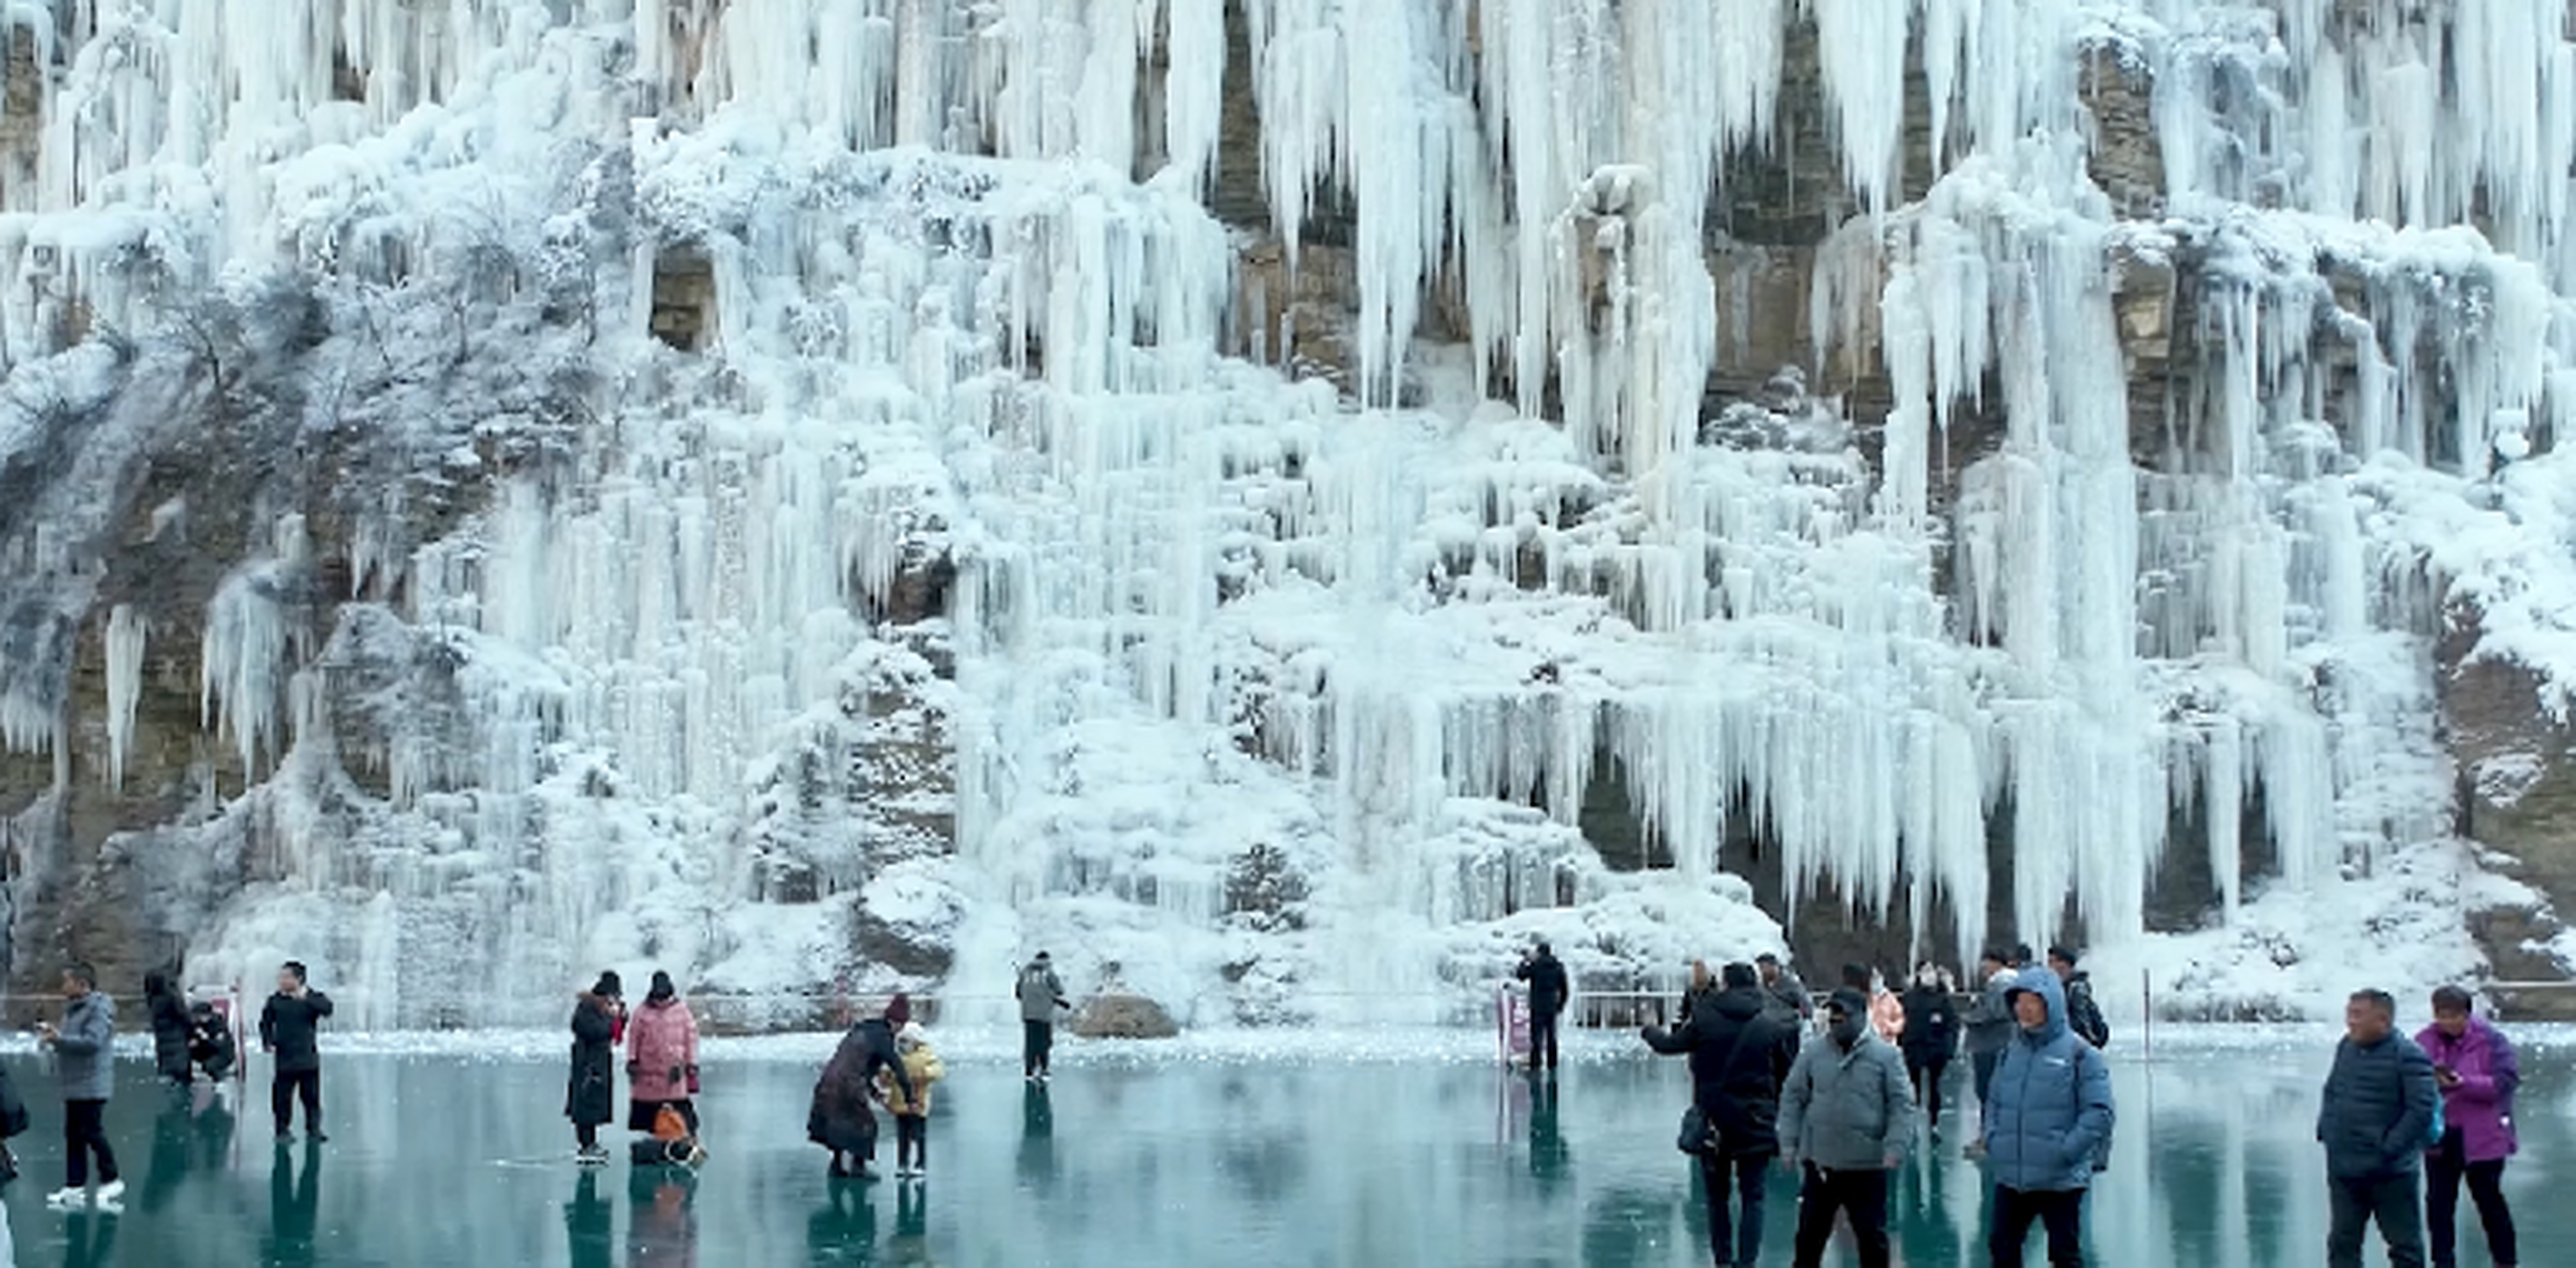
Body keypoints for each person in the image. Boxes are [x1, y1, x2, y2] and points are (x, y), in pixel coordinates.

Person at [1642, 961, 1802, 1268]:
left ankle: (1723, 1260)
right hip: (1756, 1121)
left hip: (1714, 1122)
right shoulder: (1768, 1025)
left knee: (1717, 1198)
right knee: (1753, 1196)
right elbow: (1787, 1074)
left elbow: (1669, 1045)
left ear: (1725, 985)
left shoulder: (1704, 1020)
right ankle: (1747, 1262)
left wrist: (1649, 1028)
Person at [1985, 966, 2114, 1268]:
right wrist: (1993, 1137)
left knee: (2064, 1254)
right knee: (2002, 1247)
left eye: (2033, 1001)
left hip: (2060, 1179)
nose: (2024, 1009)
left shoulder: (2082, 1054)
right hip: (2012, 1175)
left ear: (2051, 1004)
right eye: (2019, 1001)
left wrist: (2066, 1151)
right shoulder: (2010, 1053)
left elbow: (2099, 1112)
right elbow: (1993, 1101)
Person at [1779, 988, 1912, 1268]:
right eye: (1833, 1014)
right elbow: (1793, 1096)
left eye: (1843, 1014)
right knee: (1808, 1240)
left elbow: (1901, 1105)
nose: (1836, 1020)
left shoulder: (1886, 1056)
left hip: (1867, 1164)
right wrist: (1788, 1142)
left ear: (1861, 1016)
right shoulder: (1813, 1052)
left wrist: (1895, 1146)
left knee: (1871, 1238)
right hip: (1821, 1164)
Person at [2318, 988, 2436, 1268]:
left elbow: (2420, 1111)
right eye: (2349, 1014)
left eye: (2358, 1015)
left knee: (2403, 1246)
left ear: (2382, 1020)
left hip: (2390, 1172)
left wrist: (2388, 1148)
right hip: (2345, 1167)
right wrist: (2328, 1132)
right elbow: (2333, 1090)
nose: (2351, 1021)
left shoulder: (2409, 1055)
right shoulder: (2346, 1047)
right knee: (2342, 1242)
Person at [2414, 986, 2518, 1268]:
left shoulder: (2492, 1041)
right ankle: (2442, 1262)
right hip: (2440, 1136)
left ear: (2467, 1014)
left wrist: (2464, 1083)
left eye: (2453, 1015)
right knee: (2439, 1205)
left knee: (2490, 1203)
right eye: (2441, 1015)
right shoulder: (2423, 1041)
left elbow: (2504, 1083)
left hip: (2483, 1138)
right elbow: (2411, 1082)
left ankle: (2505, 1261)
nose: (2447, 1021)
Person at [38, 963, 123, 1209]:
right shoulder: (72, 1010)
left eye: (67, 981)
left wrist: (59, 1039)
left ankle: (111, 1178)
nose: (63, 986)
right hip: (73, 1084)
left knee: (92, 1132)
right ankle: (75, 1185)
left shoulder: (98, 1009)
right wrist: (55, 1038)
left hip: (92, 1083)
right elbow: (71, 1042)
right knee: (73, 1135)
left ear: (82, 984)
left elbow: (92, 1042)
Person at [809, 1002, 914, 1179]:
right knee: (866, 1125)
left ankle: (836, 1165)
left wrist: (873, 1092)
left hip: (827, 1081)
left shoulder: (861, 1030)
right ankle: (858, 1168)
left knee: (837, 1122)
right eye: (901, 1026)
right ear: (895, 1022)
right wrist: (909, 1096)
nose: (900, 1030)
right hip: (847, 1085)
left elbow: (857, 1066)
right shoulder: (883, 1037)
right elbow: (897, 1066)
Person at [259, 961, 335, 1142]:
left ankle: (314, 1129)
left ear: (298, 979)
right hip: (284, 1056)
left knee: (311, 1097)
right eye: (280, 977)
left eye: (286, 977)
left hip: (307, 1055)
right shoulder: (275, 1000)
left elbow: (327, 1009)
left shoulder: (311, 999)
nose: (281, 980)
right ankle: (282, 1130)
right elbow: (265, 1023)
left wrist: (306, 997)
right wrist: (267, 1041)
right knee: (282, 1098)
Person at [625, 971, 701, 1140]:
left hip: (674, 1070)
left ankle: (685, 1136)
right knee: (650, 1108)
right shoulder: (641, 1012)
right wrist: (632, 1060)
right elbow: (633, 1037)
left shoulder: (681, 1011)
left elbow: (691, 1038)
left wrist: (692, 1063)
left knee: (680, 1105)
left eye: (663, 996)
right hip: (648, 1070)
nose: (660, 1001)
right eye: (658, 997)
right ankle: (657, 1139)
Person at [567, 972, 626, 1164]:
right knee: (585, 1104)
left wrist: (620, 1019)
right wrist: (611, 1023)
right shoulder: (587, 1008)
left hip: (599, 1061)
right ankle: (586, 1145)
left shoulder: (599, 1008)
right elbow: (590, 1030)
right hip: (586, 1062)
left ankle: (590, 1143)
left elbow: (611, 1033)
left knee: (593, 1103)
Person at [1961, 950, 2014, 1159]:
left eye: (1985, 966)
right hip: (1999, 1044)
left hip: (1990, 1045)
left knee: (1988, 1093)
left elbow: (1994, 1012)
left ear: (1996, 964)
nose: (1983, 970)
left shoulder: (1999, 984)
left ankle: (1988, 1138)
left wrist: (1969, 1017)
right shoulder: (2011, 983)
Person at [1900, 964, 1962, 1139]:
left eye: (1931, 971)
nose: (1929, 975)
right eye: (1925, 971)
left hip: (1936, 1050)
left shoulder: (1943, 999)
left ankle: (1933, 1124)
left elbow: (1952, 1024)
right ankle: (1913, 1124)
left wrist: (1949, 1048)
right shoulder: (1910, 998)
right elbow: (1902, 1021)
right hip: (1914, 1049)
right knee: (1914, 1088)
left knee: (1935, 1088)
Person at [881, 1020, 945, 1180]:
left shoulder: (925, 1056)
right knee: (902, 1137)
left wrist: (925, 1073)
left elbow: (938, 1070)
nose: (902, 1045)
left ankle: (920, 1164)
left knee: (919, 1135)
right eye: (900, 1041)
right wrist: (885, 1077)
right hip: (899, 1104)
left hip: (918, 1103)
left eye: (905, 1041)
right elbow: (887, 1072)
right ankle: (902, 1164)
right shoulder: (895, 1057)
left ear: (916, 1042)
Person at [1516, 941, 1571, 1073]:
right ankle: (1552, 1064)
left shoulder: (1536, 965)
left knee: (1536, 1038)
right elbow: (1564, 988)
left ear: (1539, 952)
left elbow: (1521, 975)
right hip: (1551, 1006)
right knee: (1551, 1037)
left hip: (1537, 1006)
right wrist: (1561, 1005)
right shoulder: (1558, 966)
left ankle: (1536, 1064)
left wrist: (1525, 961)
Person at [1016, 953, 1069, 1083]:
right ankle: (1044, 1069)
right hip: (1044, 1015)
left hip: (1028, 1014)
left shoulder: (1024, 972)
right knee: (1044, 1043)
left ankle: (1029, 1070)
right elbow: (1059, 990)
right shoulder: (1048, 973)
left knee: (1030, 1043)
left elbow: (1018, 993)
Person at [2046, 946, 2110, 1048]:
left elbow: (2083, 1021)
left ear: (2067, 965)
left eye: (2054, 962)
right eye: (2050, 963)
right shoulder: (2060, 988)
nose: (2051, 967)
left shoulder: (2076, 988)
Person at [145, 971, 193, 1089]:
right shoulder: (171, 997)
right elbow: (184, 1016)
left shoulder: (152, 999)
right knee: (183, 1079)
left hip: (162, 1043)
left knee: (170, 1080)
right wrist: (191, 1031)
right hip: (178, 1040)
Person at [188, 999, 239, 1081]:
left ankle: (221, 1079)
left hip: (223, 1054)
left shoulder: (218, 1025)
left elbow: (219, 1045)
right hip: (208, 1051)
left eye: (198, 1016)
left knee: (209, 1066)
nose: (197, 1019)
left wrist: (205, 1038)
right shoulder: (199, 1024)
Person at [1757, 952, 1813, 1023]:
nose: (1763, 971)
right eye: (1761, 968)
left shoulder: (1791, 983)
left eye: (1765, 967)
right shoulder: (1761, 987)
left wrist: (1806, 1019)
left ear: (1774, 967)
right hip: (1769, 1026)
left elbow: (1804, 1001)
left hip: (1789, 1023)